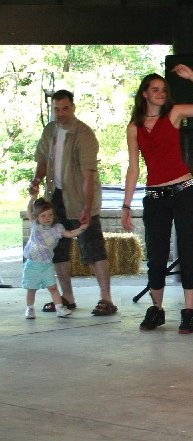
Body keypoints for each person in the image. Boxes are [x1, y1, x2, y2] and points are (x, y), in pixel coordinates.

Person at [121, 64, 193, 334]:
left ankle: (189, 312)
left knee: (189, 250)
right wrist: (126, 205)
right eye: (155, 89)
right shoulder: (135, 127)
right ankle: (157, 309)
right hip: (155, 197)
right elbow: (134, 168)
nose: (160, 93)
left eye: (164, 89)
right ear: (144, 94)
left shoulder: (174, 115)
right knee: (156, 254)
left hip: (183, 192)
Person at [30, 89, 116, 316]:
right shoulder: (49, 130)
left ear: (73, 108)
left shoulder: (84, 134)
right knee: (58, 248)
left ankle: (106, 299)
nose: (61, 113)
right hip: (55, 196)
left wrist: (88, 208)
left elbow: (89, 175)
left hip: (80, 197)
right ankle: (67, 297)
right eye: (56, 109)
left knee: (94, 247)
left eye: (65, 108)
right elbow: (41, 159)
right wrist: (37, 180)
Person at [23, 194, 88, 319]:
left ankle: (59, 308)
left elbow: (69, 234)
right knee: (31, 289)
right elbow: (29, 210)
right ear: (37, 217)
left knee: (53, 287)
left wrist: (82, 228)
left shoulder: (57, 229)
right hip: (32, 264)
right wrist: (32, 198)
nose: (47, 218)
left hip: (47, 265)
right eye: (43, 216)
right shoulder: (36, 226)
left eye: (50, 215)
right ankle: (30, 309)